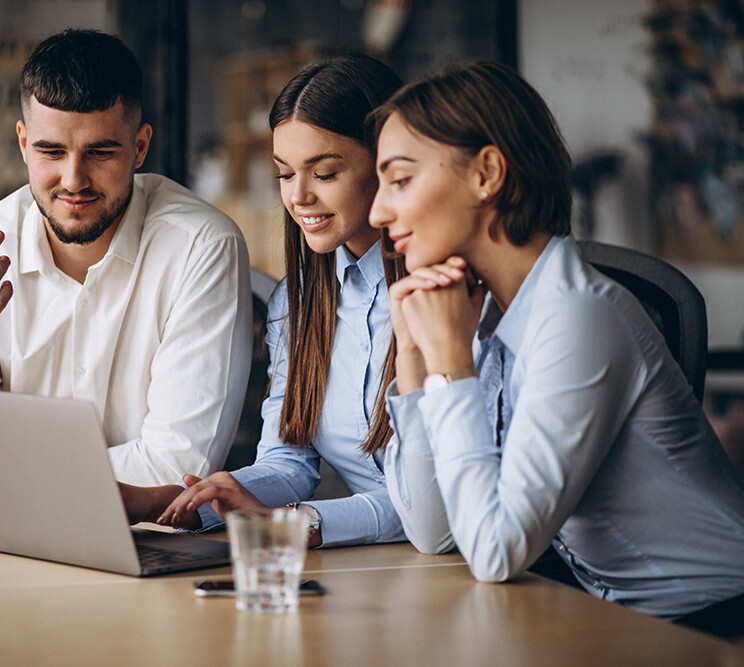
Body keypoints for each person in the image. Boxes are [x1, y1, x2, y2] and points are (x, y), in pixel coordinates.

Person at [369, 59, 744, 629]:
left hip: (713, 628)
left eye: (399, 180)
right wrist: (416, 359)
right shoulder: (491, 311)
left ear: (486, 173)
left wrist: (451, 361)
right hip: (619, 621)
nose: (377, 212)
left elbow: (495, 553)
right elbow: (434, 531)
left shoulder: (578, 315)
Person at [0, 29, 252, 507]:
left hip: (149, 556)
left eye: (100, 152)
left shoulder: (201, 247)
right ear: (23, 144)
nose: (73, 180)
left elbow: (177, 470)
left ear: (141, 146)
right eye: (51, 152)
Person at [124, 54, 426, 549]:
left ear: (387, 166)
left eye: (324, 173)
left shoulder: (442, 295)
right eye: (285, 174)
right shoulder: (301, 301)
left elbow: (434, 506)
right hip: (386, 566)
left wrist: (298, 522)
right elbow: (289, 463)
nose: (299, 197)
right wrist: (184, 501)